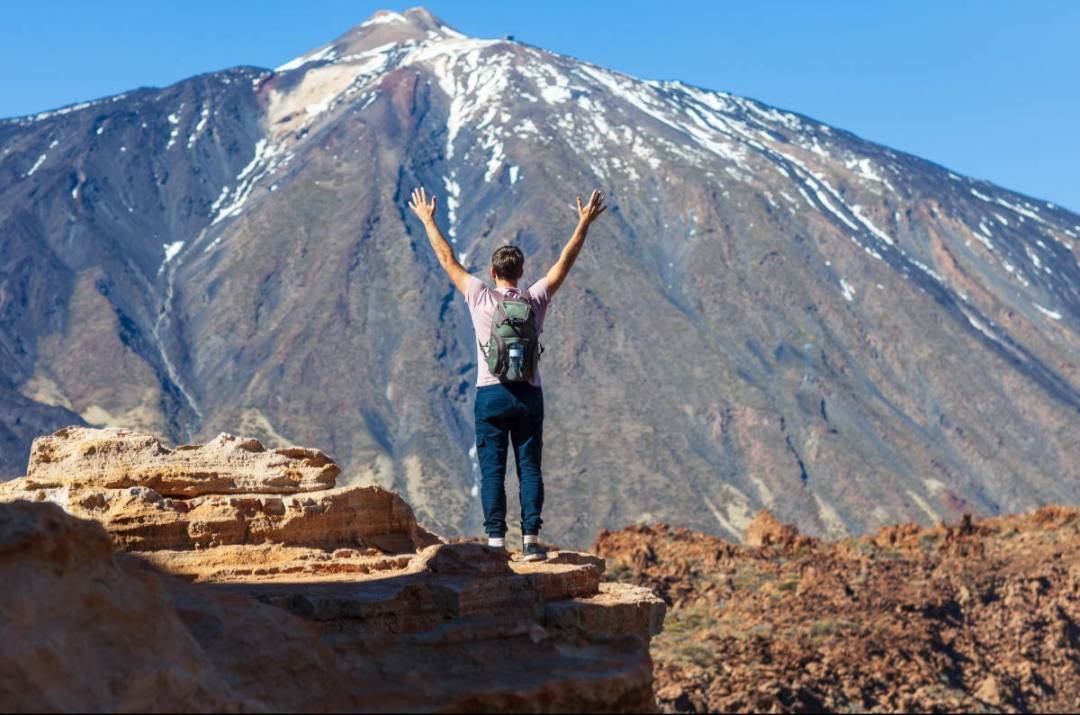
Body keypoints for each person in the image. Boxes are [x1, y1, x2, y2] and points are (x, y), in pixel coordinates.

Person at [408, 186, 607, 560]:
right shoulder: (535, 299)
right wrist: (583, 224)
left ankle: (496, 545)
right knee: (529, 469)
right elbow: (565, 261)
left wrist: (427, 220)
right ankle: (531, 541)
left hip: (490, 393)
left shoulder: (480, 296)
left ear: (493, 272)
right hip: (529, 394)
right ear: (521, 272)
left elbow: (448, 260)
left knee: (492, 471)